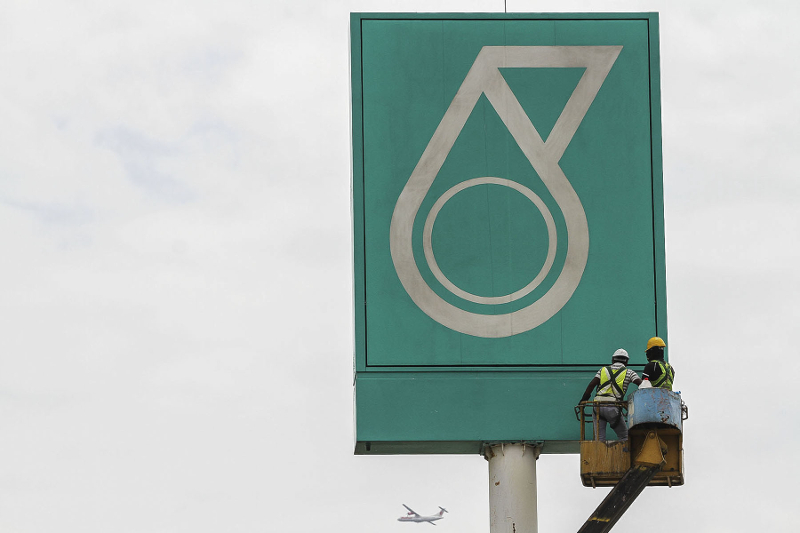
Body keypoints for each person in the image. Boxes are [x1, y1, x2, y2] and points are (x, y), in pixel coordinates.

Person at [579, 348, 642, 442]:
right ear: (627, 361)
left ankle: (600, 456)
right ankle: (624, 455)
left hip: (597, 406)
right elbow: (641, 384)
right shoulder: (629, 373)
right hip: (612, 407)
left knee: (599, 440)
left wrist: (582, 402)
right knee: (624, 437)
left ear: (613, 359)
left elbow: (591, 385)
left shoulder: (603, 370)